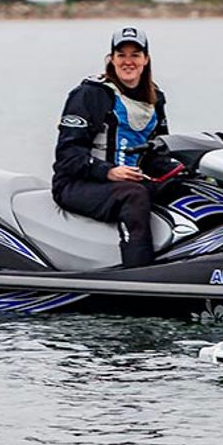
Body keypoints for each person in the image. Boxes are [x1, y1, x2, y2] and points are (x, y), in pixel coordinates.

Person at [52, 26, 170, 268]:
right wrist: (108, 171)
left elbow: (158, 153)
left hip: (126, 181)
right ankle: (139, 276)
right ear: (111, 59)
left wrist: (192, 167)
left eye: (135, 55)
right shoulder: (90, 94)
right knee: (134, 196)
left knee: (182, 187)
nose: (128, 61)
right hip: (77, 183)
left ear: (145, 60)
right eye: (121, 55)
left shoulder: (155, 99)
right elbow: (67, 156)